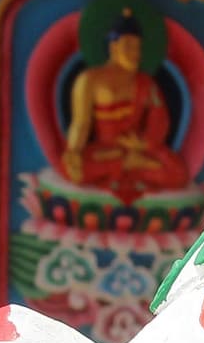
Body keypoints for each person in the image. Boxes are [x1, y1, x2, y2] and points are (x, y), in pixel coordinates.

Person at [60, 11, 190, 201]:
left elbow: (159, 120)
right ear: (113, 46)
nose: (134, 54)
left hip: (138, 148)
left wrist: (145, 143)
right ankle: (125, 165)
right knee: (73, 169)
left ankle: (128, 165)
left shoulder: (146, 83)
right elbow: (81, 123)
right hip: (105, 150)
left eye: (138, 48)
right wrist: (73, 152)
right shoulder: (90, 80)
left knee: (177, 172)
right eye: (128, 46)